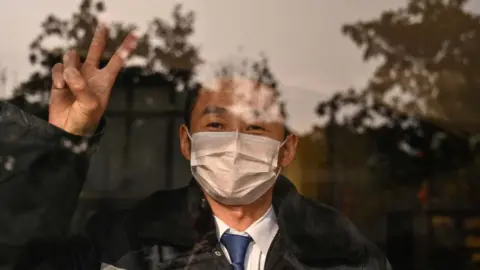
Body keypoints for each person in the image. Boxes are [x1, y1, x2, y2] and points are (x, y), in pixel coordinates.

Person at [0, 24, 391, 270]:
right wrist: (60, 143)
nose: (235, 143)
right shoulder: (123, 245)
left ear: (286, 151)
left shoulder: (343, 254)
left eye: (255, 126)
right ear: (187, 142)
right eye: (217, 124)